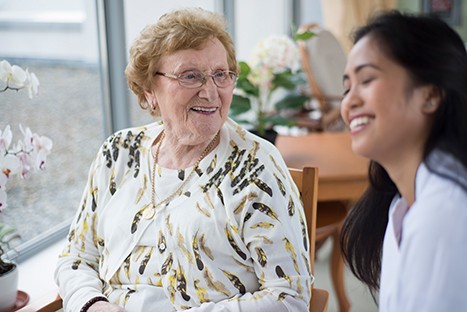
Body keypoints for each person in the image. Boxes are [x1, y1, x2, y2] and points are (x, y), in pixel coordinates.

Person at [54, 7, 311, 312]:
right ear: (149, 90)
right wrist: (93, 304)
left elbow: (289, 296)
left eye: (221, 75)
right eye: (191, 76)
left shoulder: (255, 165)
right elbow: (76, 257)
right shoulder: (118, 152)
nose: (211, 92)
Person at [339, 10, 467, 312]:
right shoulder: (401, 205)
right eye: (346, 88)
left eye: (366, 79)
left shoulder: (445, 213)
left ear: (430, 96)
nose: (349, 101)